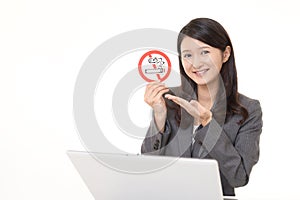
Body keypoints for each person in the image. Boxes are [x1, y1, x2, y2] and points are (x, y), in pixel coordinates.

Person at [141, 18, 263, 196]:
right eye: (188, 55)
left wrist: (208, 124)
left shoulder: (248, 110)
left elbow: (239, 177)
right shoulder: (169, 100)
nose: (195, 64)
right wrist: (159, 116)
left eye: (204, 52)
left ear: (225, 54)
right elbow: (147, 164)